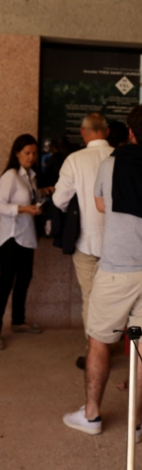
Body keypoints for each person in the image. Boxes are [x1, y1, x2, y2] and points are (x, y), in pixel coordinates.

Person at [63, 104, 142, 442]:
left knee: (100, 341)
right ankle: (134, 423)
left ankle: (91, 415)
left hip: (117, 269)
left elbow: (102, 205)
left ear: (130, 133)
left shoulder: (112, 164)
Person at [53, 113, 113, 368]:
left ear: (83, 132)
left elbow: (59, 200)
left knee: (90, 296)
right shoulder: (120, 156)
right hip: (118, 244)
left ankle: (95, 351)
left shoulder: (74, 160)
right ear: (107, 132)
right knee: (115, 297)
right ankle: (114, 345)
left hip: (87, 241)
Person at [0, 134, 52, 349]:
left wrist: (43, 192)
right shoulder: (11, 175)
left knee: (24, 279)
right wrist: (21, 210)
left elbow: (27, 195)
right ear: (17, 154)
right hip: (11, 237)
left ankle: (18, 321)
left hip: (26, 236)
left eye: (34, 153)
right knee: (3, 284)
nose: (31, 157)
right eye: (27, 153)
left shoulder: (30, 176)